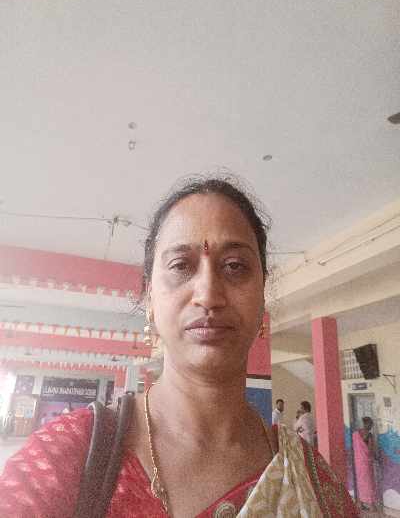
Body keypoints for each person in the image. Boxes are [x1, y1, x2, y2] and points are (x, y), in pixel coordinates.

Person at [0, 177, 359, 517]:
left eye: (235, 266)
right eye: (181, 265)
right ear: (149, 298)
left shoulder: (311, 480)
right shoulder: (66, 459)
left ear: (262, 293)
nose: (208, 294)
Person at [353, 416, 378, 511]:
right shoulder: (369, 435)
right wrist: (376, 457)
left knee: (360, 482)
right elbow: (370, 450)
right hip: (366, 463)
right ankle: (372, 505)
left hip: (358, 462)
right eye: (371, 424)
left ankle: (360, 503)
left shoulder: (355, 434)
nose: (371, 426)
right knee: (369, 483)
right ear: (367, 424)